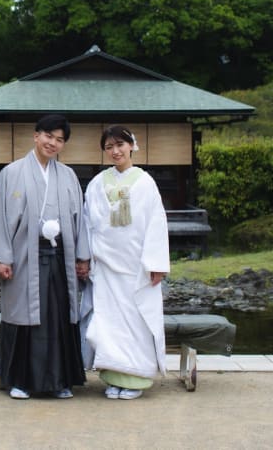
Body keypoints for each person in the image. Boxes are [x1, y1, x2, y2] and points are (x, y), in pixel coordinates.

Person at [0, 114, 88, 400]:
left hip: (60, 256)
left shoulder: (68, 176)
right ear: (36, 136)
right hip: (24, 256)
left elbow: (80, 222)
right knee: (23, 317)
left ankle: (61, 380)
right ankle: (20, 381)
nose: (53, 143)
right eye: (48, 136)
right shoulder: (11, 173)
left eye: (59, 139)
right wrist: (2, 258)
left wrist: (82, 256)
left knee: (60, 316)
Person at [82, 125, 169, 400]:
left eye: (120, 144)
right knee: (109, 322)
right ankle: (113, 377)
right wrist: (86, 256)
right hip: (106, 265)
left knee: (137, 321)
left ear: (132, 145)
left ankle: (136, 379)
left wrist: (156, 263)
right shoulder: (97, 183)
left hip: (136, 267)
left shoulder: (145, 182)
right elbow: (87, 222)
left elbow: (156, 223)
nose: (115, 151)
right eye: (109, 147)